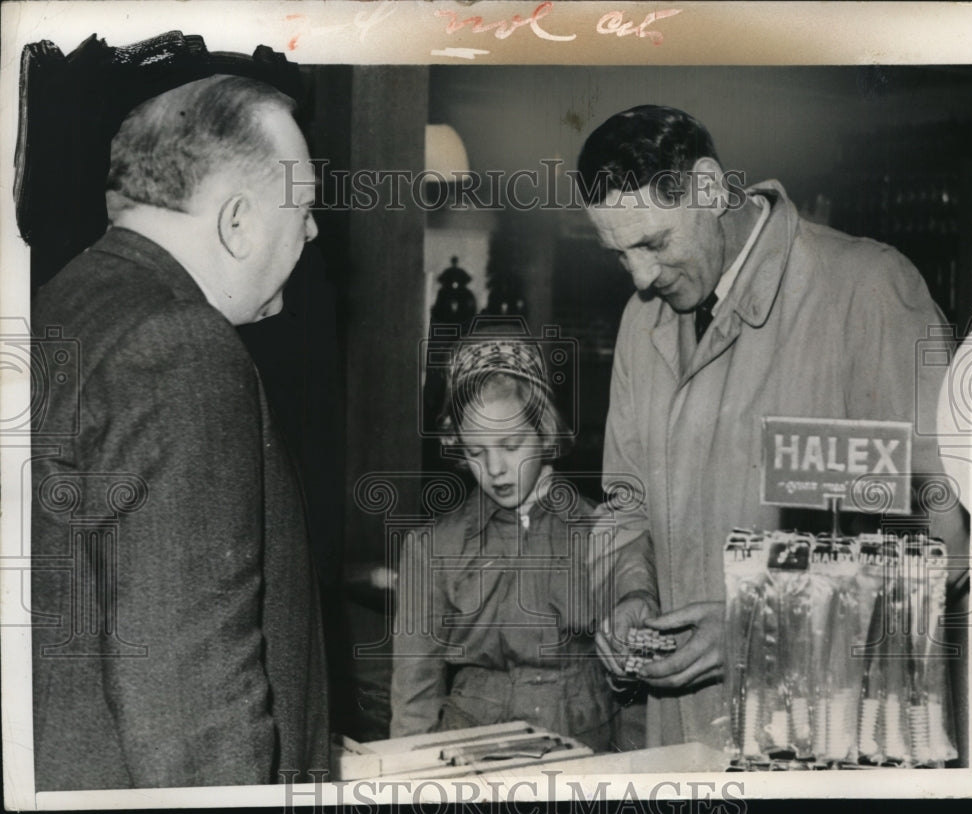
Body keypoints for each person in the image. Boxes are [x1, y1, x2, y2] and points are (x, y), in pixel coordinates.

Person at [574, 105, 969, 751]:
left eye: (653, 243)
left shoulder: (862, 292)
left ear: (707, 186)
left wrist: (754, 627)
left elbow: (937, 545)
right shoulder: (639, 324)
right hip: (686, 739)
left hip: (833, 739)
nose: (641, 278)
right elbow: (627, 504)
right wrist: (628, 597)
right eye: (619, 255)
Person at [31, 74, 327, 789]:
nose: (313, 232)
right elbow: (193, 698)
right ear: (238, 222)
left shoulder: (60, 304)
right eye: (305, 208)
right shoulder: (183, 348)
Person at [390, 338, 614, 750]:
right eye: (476, 451)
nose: (494, 469)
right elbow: (414, 697)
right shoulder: (431, 547)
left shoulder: (604, 532)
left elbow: (635, 694)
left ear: (545, 434)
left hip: (584, 756)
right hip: (473, 754)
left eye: (510, 446)